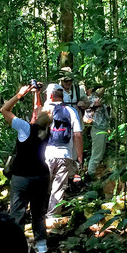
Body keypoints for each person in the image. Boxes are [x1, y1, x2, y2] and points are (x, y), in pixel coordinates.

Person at [0, 83, 51, 253]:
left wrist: (19, 94)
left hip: (22, 176)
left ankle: (16, 247)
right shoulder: (46, 130)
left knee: (17, 211)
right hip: (42, 176)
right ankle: (42, 244)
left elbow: (4, 110)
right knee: (38, 211)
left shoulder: (25, 128)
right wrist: (36, 93)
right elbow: (38, 110)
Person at [45, 86, 83, 220]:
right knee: (58, 187)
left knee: (42, 185)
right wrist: (79, 156)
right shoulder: (71, 111)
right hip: (65, 154)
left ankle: (37, 215)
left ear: (50, 95)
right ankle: (52, 217)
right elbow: (77, 134)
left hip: (46, 154)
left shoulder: (45, 110)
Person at [83, 85, 110, 179]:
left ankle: (93, 174)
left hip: (101, 128)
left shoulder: (93, 98)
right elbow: (99, 100)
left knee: (99, 153)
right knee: (96, 154)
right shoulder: (90, 99)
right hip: (97, 128)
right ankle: (90, 175)